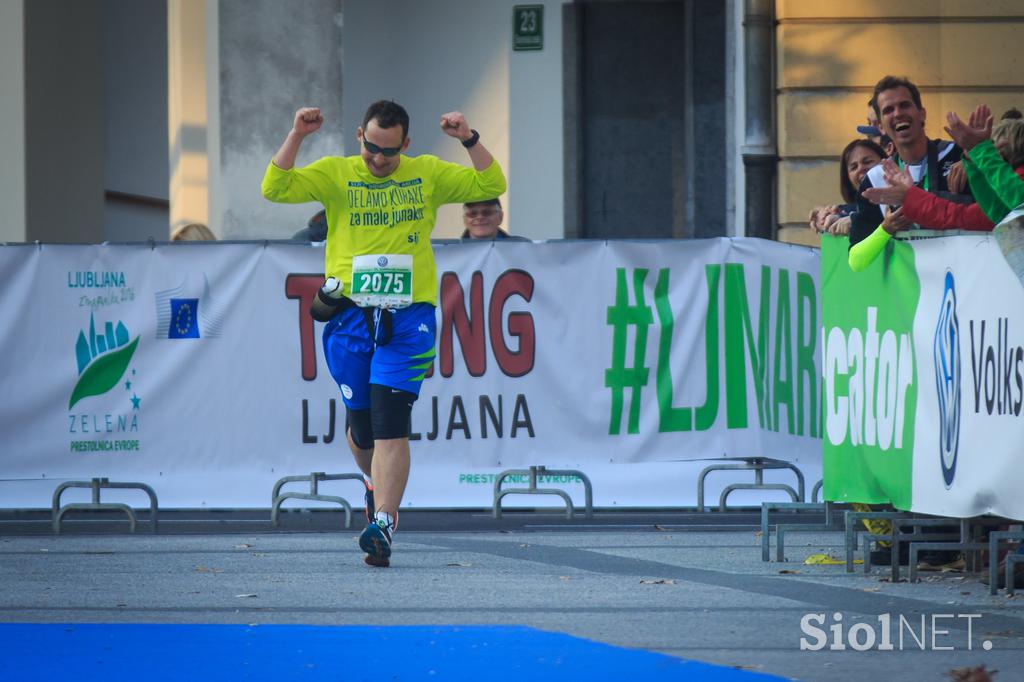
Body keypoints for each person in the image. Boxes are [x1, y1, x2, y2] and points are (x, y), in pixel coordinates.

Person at [261, 100, 506, 567]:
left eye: (388, 153)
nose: (378, 159)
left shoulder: (427, 173)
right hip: (349, 316)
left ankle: (385, 526)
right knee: (361, 427)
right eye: (371, 148)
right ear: (360, 137)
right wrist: (297, 134)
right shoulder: (336, 173)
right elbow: (274, 187)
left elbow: (492, 184)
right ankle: (373, 484)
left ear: (406, 146)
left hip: (407, 315)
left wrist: (469, 139)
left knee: (391, 422)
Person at [847, 75, 972, 272]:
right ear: (879, 126)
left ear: (922, 114)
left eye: (904, 105)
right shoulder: (875, 179)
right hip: (918, 295)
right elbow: (856, 261)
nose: (898, 113)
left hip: (968, 280)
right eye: (888, 110)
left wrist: (975, 159)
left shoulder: (958, 156)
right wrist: (886, 229)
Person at [809, 139, 887, 235]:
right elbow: (846, 213)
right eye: (854, 167)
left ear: (886, 163)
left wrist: (857, 221)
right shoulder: (850, 210)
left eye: (867, 161)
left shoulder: (901, 198)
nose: (861, 168)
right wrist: (823, 219)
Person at [460, 198, 527, 240]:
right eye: (472, 213)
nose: (479, 217)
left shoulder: (521, 247)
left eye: (487, 212)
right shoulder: (453, 252)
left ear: (500, 217)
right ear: (464, 219)